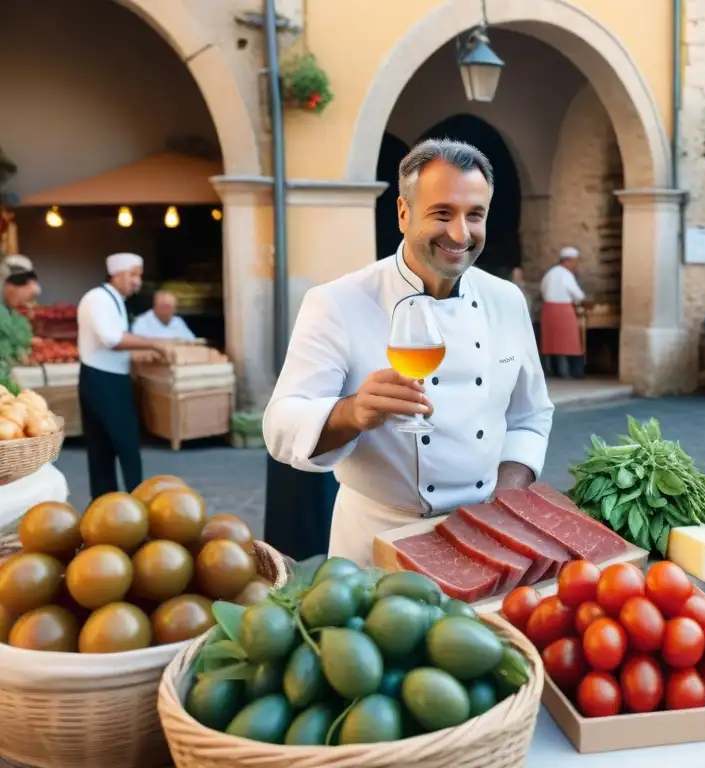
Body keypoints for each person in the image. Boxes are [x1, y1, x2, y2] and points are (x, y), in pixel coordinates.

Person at [263, 139, 554, 566]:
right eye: (442, 213)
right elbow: (280, 425)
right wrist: (353, 412)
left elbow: (530, 415)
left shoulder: (507, 300)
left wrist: (508, 492)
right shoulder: (338, 301)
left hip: (484, 536)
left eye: (475, 215)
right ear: (403, 213)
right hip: (378, 541)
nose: (460, 234)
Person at [77, 253, 171, 500]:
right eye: (133, 275)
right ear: (116, 274)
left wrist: (138, 356)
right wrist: (154, 344)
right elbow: (112, 339)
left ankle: (114, 508)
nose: (137, 282)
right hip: (102, 381)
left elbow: (113, 343)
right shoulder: (97, 298)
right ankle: (133, 503)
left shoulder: (115, 300)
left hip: (111, 377)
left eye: (139, 276)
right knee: (123, 446)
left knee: (105, 448)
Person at [539, 246, 586, 379]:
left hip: (548, 310)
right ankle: (575, 372)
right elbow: (578, 295)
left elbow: (542, 290)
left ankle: (555, 371)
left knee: (552, 343)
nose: (576, 265)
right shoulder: (566, 275)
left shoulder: (549, 273)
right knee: (571, 343)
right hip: (563, 310)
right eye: (575, 261)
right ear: (568, 261)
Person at [130, 290, 197, 341]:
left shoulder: (178, 321)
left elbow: (192, 342)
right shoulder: (141, 322)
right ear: (156, 306)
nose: (171, 311)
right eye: (166, 307)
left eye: (173, 307)